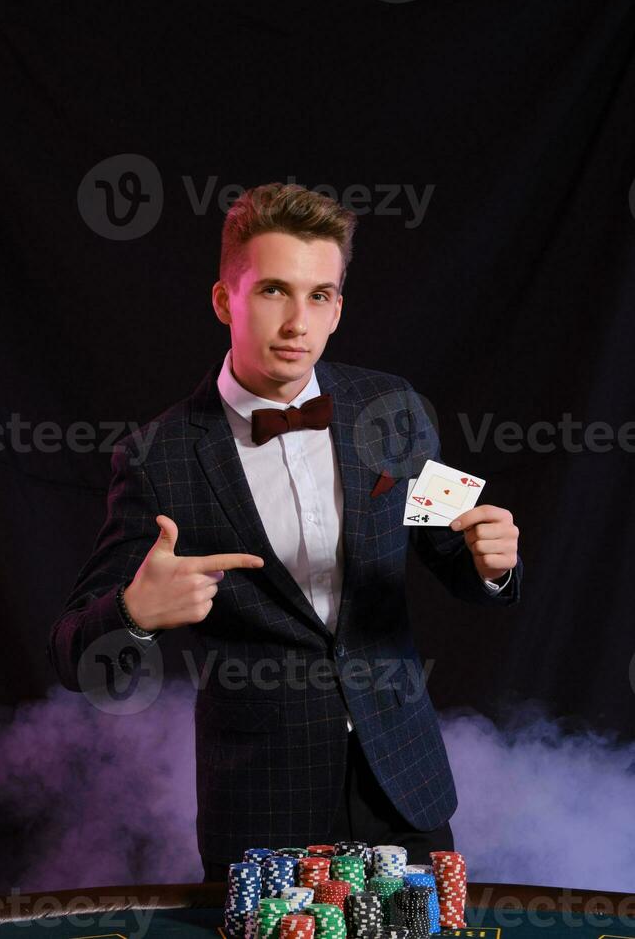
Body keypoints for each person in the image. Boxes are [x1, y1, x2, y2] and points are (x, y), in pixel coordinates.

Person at [47, 182, 523, 881]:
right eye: (273, 290)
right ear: (223, 301)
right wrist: (133, 617)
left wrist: (493, 565)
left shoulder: (394, 408)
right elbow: (70, 654)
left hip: (406, 784)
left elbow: (453, 551)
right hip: (264, 808)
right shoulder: (158, 456)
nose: (298, 321)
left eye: (320, 295)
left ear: (338, 307)